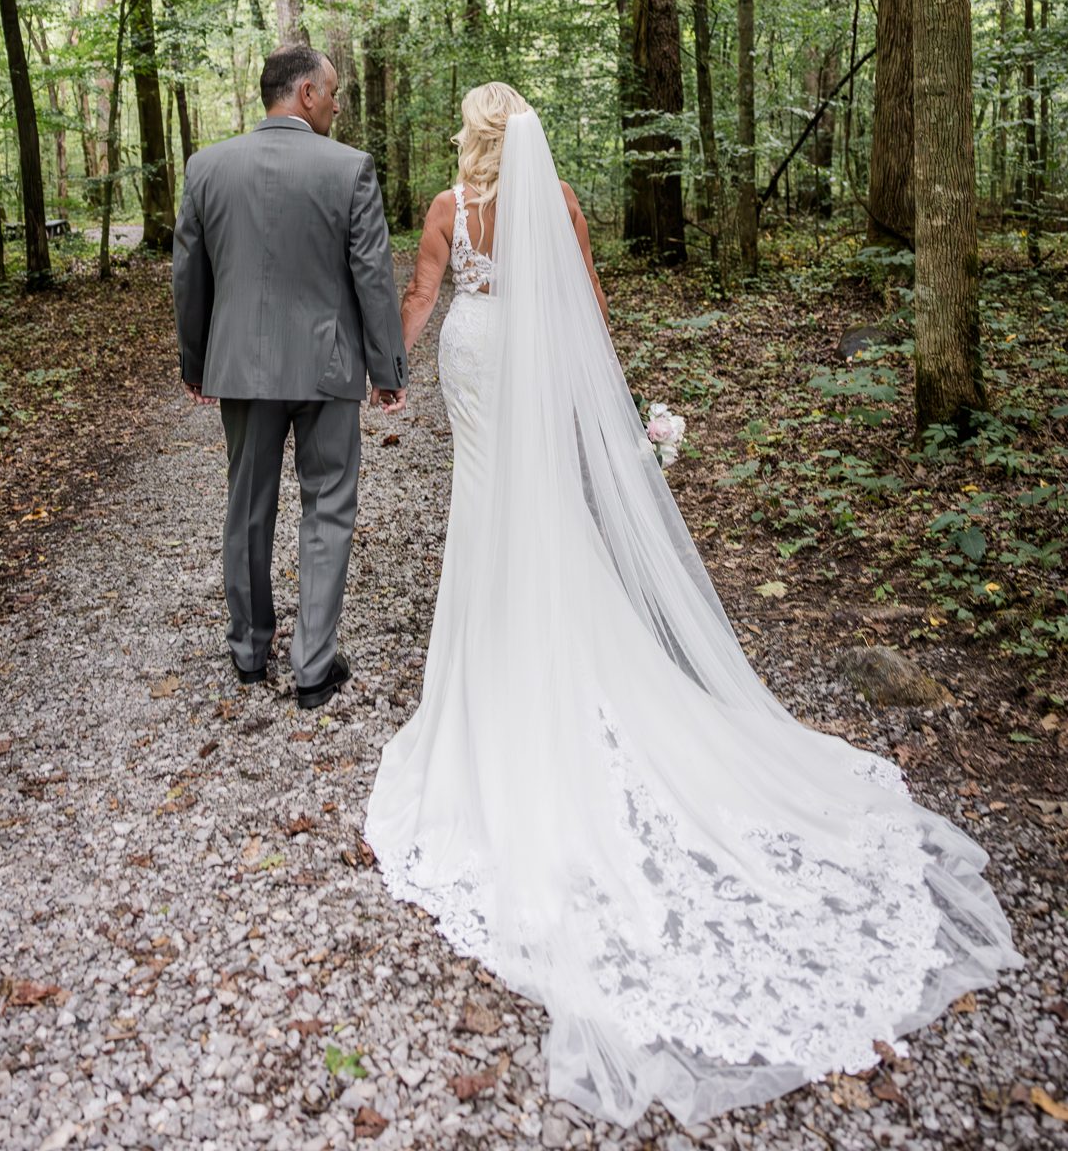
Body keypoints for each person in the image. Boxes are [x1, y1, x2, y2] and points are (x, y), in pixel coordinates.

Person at [365, 83, 1021, 1127]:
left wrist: (388, 367)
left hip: (475, 356)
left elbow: (423, 294)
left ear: (471, 137)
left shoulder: (447, 207)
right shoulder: (561, 197)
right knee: (535, 501)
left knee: (483, 500)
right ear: (524, 136)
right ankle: (555, 642)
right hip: (527, 359)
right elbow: (581, 298)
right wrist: (603, 393)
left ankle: (495, 661)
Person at [173, 43, 406, 707]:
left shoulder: (207, 168)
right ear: (305, 93)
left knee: (247, 507)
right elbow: (372, 277)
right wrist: (387, 368)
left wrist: (196, 362)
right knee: (328, 506)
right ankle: (312, 664)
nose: (338, 103)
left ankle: (248, 650)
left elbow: (188, 278)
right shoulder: (350, 169)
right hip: (328, 366)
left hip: (241, 369)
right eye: (333, 92)